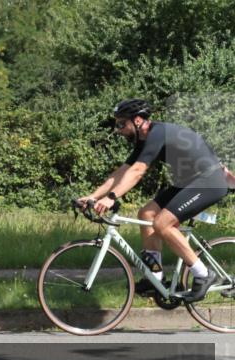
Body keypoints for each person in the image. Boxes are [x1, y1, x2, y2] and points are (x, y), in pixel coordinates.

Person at [78, 99, 234, 302]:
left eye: (121, 124)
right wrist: (93, 196)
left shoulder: (158, 133)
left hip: (209, 181)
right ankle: (156, 277)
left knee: (162, 224)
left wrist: (111, 198)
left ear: (137, 120)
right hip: (191, 182)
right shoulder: (144, 140)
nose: (118, 130)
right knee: (146, 214)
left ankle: (203, 274)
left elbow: (137, 172)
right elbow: (122, 172)